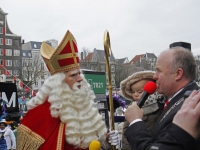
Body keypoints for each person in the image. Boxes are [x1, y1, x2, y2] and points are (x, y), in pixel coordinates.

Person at [16, 30, 119, 150]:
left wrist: (107, 141)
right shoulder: (40, 110)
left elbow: (95, 142)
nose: (80, 78)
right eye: (73, 75)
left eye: (79, 73)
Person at [124, 46, 200, 150]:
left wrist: (135, 121)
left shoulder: (188, 109)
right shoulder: (178, 100)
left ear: (178, 74)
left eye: (158, 71)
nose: (154, 76)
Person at [120, 71, 164, 150]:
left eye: (140, 92)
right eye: (133, 92)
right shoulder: (131, 109)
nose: (135, 94)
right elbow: (125, 133)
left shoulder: (160, 105)